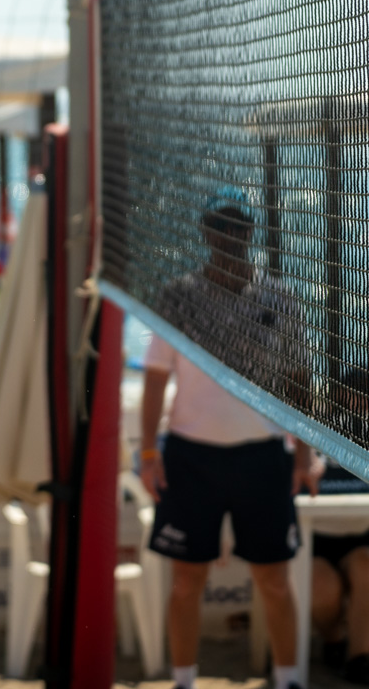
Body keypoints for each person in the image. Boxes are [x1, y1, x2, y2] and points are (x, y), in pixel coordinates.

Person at [139, 198, 317, 689]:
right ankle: (183, 681)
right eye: (220, 231)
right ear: (207, 237)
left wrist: (304, 454)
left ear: (249, 235)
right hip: (190, 455)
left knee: (274, 582)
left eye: (236, 231)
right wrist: (148, 455)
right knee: (185, 582)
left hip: (262, 455)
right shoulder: (179, 298)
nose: (228, 240)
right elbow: (155, 379)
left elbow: (299, 381)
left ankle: (288, 680)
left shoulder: (279, 298)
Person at [311, 527, 369, 685]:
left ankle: (359, 659)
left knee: (368, 566)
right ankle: (334, 643)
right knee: (319, 583)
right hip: (312, 534)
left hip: (367, 533)